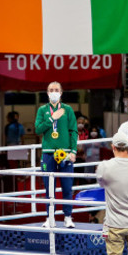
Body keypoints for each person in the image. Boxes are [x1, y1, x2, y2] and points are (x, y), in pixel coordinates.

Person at [34, 81, 78, 228]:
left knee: (67, 187)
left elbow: (74, 131)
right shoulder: (42, 110)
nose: (53, 92)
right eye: (51, 90)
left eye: (56, 90)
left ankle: (67, 217)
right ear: (47, 93)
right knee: (49, 188)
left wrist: (73, 151)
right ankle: (50, 217)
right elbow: (38, 129)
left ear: (61, 92)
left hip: (65, 153)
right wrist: (52, 118)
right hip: (48, 154)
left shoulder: (68, 109)